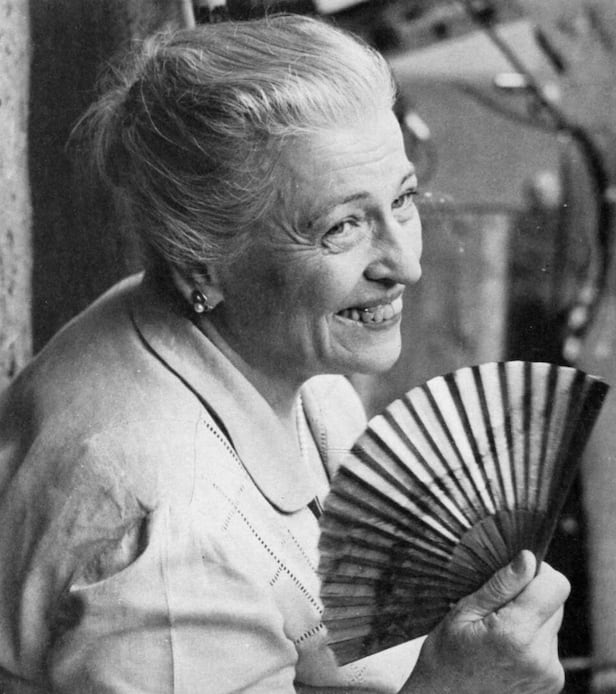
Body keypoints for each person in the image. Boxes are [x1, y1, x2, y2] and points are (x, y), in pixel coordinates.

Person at [0, 14, 570, 694]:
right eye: (342, 227)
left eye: (403, 199)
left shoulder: (271, 347)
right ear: (201, 265)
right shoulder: (174, 543)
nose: (407, 266)